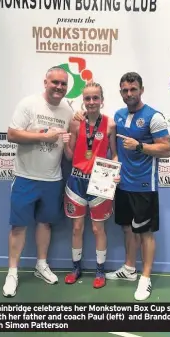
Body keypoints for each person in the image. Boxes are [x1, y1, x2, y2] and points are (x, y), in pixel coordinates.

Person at [2, 67, 73, 297]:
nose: (59, 87)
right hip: (25, 177)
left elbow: (72, 138)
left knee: (45, 223)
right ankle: (12, 272)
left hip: (53, 178)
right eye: (55, 82)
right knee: (19, 225)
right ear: (45, 82)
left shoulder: (68, 110)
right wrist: (44, 136)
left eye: (63, 84)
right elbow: (12, 134)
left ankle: (41, 265)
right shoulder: (28, 104)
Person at [105, 72, 170, 301]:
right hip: (123, 184)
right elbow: (112, 136)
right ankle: (129, 269)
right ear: (121, 92)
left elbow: (166, 149)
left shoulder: (154, 117)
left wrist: (140, 146)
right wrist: (115, 156)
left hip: (144, 185)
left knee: (145, 233)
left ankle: (145, 279)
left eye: (133, 89)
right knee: (127, 228)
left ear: (141, 90)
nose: (129, 94)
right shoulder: (119, 114)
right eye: (125, 90)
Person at [63, 82, 118, 289]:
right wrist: (64, 142)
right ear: (83, 101)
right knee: (77, 228)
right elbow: (69, 155)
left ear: (102, 100)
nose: (92, 102)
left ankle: (100, 271)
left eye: (95, 98)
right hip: (76, 180)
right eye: (87, 98)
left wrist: (116, 172)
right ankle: (76, 268)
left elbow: (114, 153)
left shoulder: (110, 124)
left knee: (98, 229)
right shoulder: (75, 123)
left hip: (100, 181)